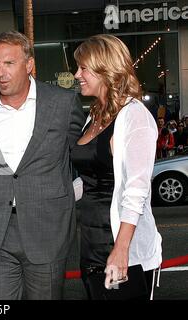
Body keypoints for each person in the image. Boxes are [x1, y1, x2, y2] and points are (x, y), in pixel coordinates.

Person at [0, 30, 85, 299]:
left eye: (9, 63)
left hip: (48, 230)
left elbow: (81, 155)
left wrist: (69, 192)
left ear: (29, 64)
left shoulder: (62, 103)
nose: (0, 72)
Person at [72, 34, 162, 300]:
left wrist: (121, 249)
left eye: (83, 68)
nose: (77, 74)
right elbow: (91, 180)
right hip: (91, 246)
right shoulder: (96, 114)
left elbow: (136, 189)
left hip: (122, 251)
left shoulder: (134, 116)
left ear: (106, 68)